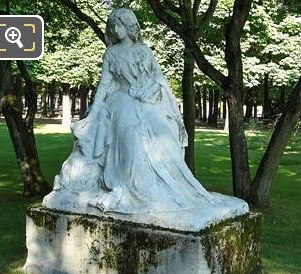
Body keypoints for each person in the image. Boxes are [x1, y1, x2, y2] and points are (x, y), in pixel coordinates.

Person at [45, 8, 214, 214]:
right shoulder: (111, 53)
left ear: (129, 26)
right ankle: (133, 189)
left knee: (164, 135)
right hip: (121, 101)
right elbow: (105, 85)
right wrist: (93, 114)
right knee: (132, 137)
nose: (115, 30)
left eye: (119, 25)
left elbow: (159, 79)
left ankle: (164, 191)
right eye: (113, 26)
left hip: (147, 102)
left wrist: (158, 96)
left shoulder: (145, 52)